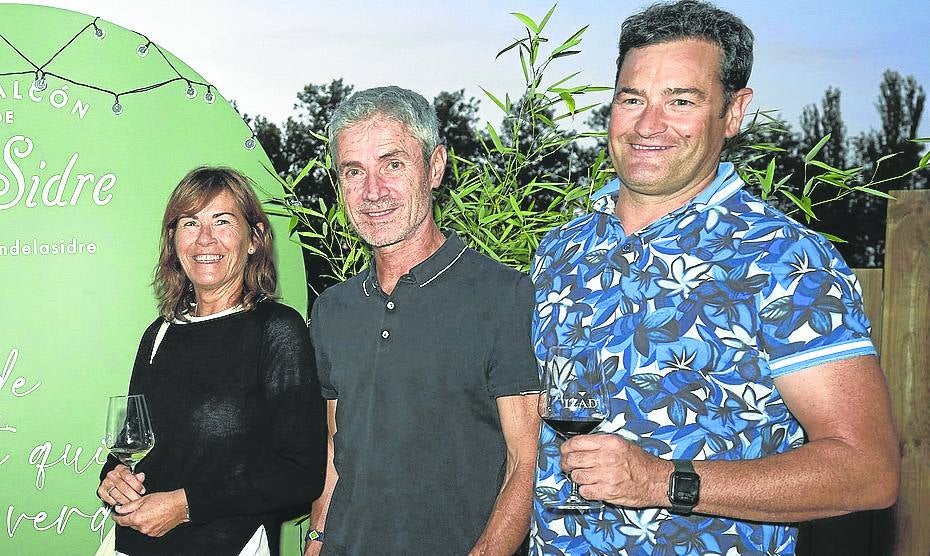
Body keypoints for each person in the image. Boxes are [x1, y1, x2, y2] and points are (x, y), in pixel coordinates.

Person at [530, 1, 900, 554]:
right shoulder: (561, 252)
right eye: (632, 99)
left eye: (681, 101)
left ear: (734, 111)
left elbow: (867, 470)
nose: (649, 125)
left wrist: (662, 481)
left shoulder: (785, 259)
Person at [305, 86, 541, 556]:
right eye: (354, 171)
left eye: (393, 164)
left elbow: (526, 463)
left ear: (435, 168)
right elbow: (337, 449)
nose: (372, 192)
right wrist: (315, 542)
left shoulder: (502, 295)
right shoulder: (332, 310)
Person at [97, 167, 326, 555]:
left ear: (254, 238)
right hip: (133, 546)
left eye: (222, 221)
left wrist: (186, 506)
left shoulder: (277, 330)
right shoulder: (159, 334)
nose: (205, 238)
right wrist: (113, 477)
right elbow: (128, 448)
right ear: (174, 241)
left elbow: (300, 475)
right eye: (190, 223)